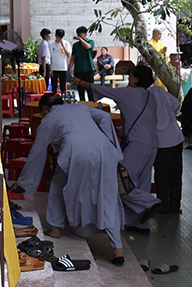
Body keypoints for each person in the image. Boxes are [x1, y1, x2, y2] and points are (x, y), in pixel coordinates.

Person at [17, 93, 125, 264]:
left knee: (57, 187)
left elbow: (38, 152)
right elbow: (104, 117)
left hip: (76, 153)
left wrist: (24, 183)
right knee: (108, 196)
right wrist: (109, 140)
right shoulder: (80, 107)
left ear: (45, 109)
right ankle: (117, 250)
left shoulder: (48, 119)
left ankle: (55, 228)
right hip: (104, 151)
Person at [73, 65, 163, 230]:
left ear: (136, 79)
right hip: (152, 144)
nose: (129, 78)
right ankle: (139, 224)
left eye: (131, 76)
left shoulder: (129, 93)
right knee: (141, 182)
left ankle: (150, 203)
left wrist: (80, 82)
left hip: (138, 143)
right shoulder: (150, 96)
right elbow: (144, 120)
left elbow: (104, 90)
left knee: (118, 180)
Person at [149, 82, 184, 215]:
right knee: (175, 175)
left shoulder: (143, 96)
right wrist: (169, 116)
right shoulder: (158, 90)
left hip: (162, 142)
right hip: (176, 137)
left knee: (162, 177)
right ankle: (175, 206)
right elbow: (176, 103)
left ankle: (163, 207)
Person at [71, 27, 96, 101]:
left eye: (80, 34)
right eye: (78, 34)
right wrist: (70, 68)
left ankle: (92, 104)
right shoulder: (75, 45)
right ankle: (82, 105)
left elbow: (88, 47)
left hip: (88, 69)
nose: (79, 35)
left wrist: (81, 39)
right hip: (78, 70)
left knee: (90, 91)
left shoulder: (90, 42)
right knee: (80, 91)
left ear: (85, 34)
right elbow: (73, 57)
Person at [49, 28, 70, 95]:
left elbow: (68, 55)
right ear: (56, 36)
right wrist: (50, 68)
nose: (59, 39)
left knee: (63, 85)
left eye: (61, 37)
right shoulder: (51, 44)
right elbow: (50, 57)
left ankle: (63, 96)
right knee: (54, 86)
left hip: (63, 67)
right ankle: (54, 97)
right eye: (58, 37)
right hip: (54, 67)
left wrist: (63, 46)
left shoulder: (66, 43)